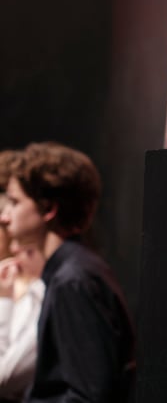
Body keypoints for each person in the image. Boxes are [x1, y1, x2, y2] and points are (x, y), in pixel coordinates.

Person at [0, 141, 136, 402]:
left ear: (49, 209)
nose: (4, 217)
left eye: (15, 202)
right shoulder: (72, 272)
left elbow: (89, 395)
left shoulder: (72, 280)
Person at [0, 149, 44, 403]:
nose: (6, 217)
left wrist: (4, 300)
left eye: (14, 204)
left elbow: (5, 378)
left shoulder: (39, 288)